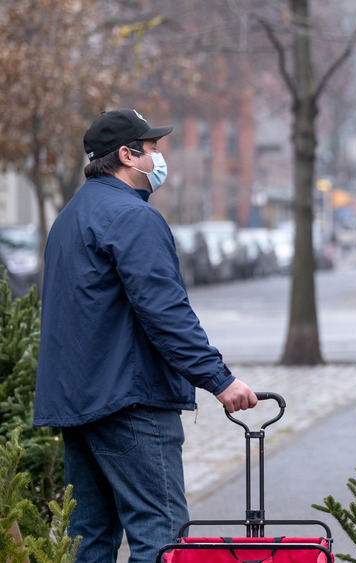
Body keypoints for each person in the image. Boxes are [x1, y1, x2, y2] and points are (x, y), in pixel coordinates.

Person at [34, 108, 259, 562]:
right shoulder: (132, 217)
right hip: (130, 402)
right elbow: (166, 312)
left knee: (91, 537)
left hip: (79, 404)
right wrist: (219, 380)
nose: (159, 157)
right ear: (126, 155)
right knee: (162, 536)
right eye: (152, 148)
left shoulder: (70, 217)